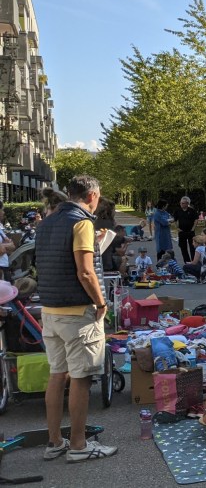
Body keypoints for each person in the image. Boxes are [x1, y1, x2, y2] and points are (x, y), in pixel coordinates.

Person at [36, 174, 117, 461]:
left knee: (57, 375)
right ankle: (79, 445)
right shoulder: (82, 222)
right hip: (77, 311)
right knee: (81, 378)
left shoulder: (46, 223)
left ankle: (54, 441)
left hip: (50, 310)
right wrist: (101, 302)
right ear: (92, 195)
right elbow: (85, 271)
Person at [173, 196, 200, 263]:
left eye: (183, 203)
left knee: (192, 247)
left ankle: (193, 262)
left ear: (187, 203)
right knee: (183, 247)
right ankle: (187, 262)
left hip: (190, 231)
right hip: (182, 232)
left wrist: (193, 228)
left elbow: (196, 220)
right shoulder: (178, 211)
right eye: (180, 203)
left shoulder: (192, 210)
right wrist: (177, 228)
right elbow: (174, 220)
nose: (181, 204)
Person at [0, 201, 15, 281]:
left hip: (5, 267)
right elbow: (1, 250)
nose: (4, 212)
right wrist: (7, 245)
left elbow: (13, 247)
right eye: (2, 210)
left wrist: (3, 246)